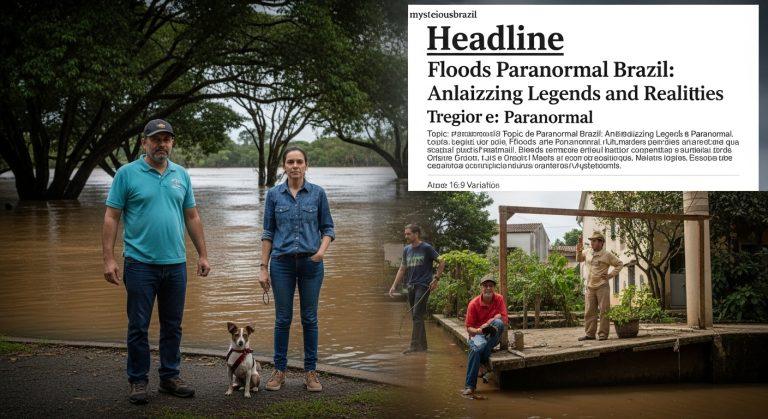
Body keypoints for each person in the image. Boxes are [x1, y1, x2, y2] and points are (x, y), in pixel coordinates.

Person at [102, 119, 210, 405]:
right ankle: (138, 380)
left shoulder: (181, 175)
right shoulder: (126, 174)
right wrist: (109, 258)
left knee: (172, 325)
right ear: (144, 142)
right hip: (140, 264)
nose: (162, 144)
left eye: (167, 139)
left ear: (172, 142)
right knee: (138, 325)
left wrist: (202, 254)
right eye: (156, 139)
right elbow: (112, 217)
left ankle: (169, 377)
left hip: (175, 264)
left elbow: (192, 216)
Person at [259, 146, 334, 392]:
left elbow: (328, 229)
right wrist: (263, 268)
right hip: (281, 264)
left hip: (311, 264)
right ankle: (279, 371)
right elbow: (268, 232)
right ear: (284, 166)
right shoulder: (273, 195)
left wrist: (321, 252)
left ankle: (310, 372)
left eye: (299, 161)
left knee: (310, 319)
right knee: (282, 319)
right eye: (290, 161)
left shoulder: (318, 194)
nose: (294, 166)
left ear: (306, 165)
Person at [388, 224, 445, 354]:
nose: (406, 236)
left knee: (417, 315)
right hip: (410, 286)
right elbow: (402, 268)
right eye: (405, 234)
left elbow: (442, 261)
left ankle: (414, 347)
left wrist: (436, 279)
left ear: (416, 234)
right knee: (417, 317)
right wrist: (394, 285)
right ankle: (423, 347)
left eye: (408, 234)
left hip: (423, 285)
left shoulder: (426, 248)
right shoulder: (406, 249)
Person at [462, 273, 508, 396]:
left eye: (491, 285)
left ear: (494, 288)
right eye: (485, 285)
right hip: (478, 335)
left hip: (493, 335)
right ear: (481, 287)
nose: (488, 288)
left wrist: (488, 323)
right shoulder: (473, 304)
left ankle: (480, 363)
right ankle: (470, 386)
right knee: (476, 350)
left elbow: (503, 319)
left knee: (498, 323)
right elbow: (469, 329)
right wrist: (480, 330)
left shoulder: (499, 299)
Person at [576, 231, 624, 341]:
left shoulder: (607, 255)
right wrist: (578, 249)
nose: (592, 243)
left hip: (602, 286)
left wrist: (610, 275)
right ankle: (590, 334)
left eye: (594, 241)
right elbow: (579, 259)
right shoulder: (588, 252)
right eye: (591, 241)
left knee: (604, 311)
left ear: (601, 242)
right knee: (589, 311)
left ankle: (602, 334)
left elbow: (620, 264)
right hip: (590, 287)